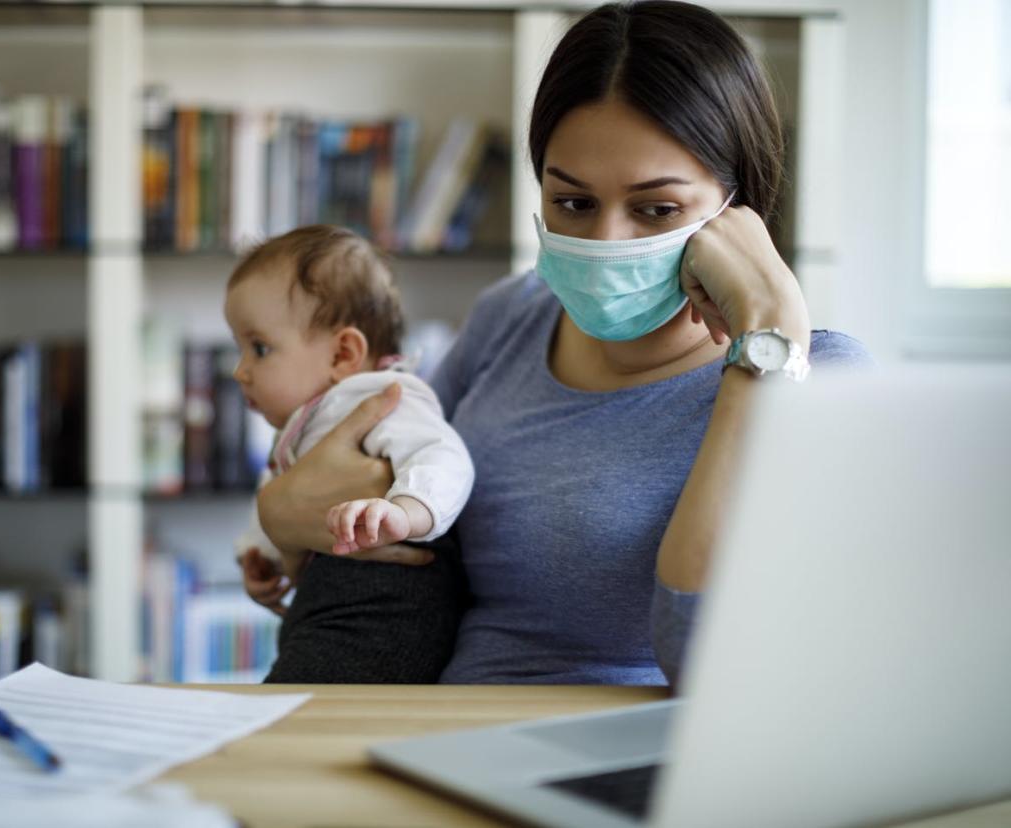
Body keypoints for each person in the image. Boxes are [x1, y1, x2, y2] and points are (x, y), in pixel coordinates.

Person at [248, 1, 874, 687]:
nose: (606, 241)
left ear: (739, 207)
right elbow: (361, 514)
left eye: (656, 209)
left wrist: (768, 332)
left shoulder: (818, 378)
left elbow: (708, 665)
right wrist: (277, 514)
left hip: (629, 766)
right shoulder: (511, 318)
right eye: (573, 202)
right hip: (432, 732)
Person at [224, 224, 475, 683]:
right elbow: (285, 494)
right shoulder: (308, 420)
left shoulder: (382, 397)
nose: (241, 370)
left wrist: (408, 512)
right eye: (239, 349)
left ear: (344, 354)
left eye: (259, 348)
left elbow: (444, 456)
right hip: (327, 605)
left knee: (295, 717)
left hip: (388, 610)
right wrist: (261, 553)